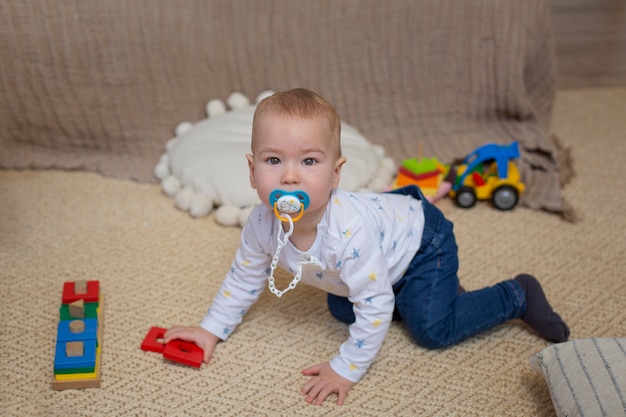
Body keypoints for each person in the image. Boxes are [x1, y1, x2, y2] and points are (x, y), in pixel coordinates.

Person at [165, 88, 569, 406]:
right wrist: (210, 329)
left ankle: (517, 294)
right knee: (342, 306)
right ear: (252, 172)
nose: (289, 176)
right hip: (381, 250)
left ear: (336, 172)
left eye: (309, 162)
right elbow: (245, 275)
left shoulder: (348, 231)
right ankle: (427, 294)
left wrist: (345, 369)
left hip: (423, 242)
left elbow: (374, 306)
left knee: (430, 329)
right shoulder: (259, 224)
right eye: (273, 161)